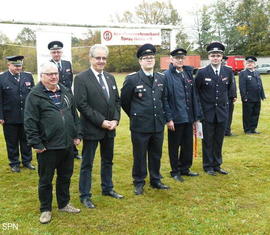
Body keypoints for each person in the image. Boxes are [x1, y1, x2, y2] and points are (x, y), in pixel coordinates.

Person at [24, 62, 81, 224]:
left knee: (65, 177)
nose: (53, 76)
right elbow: (29, 122)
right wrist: (36, 143)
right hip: (47, 147)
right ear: (41, 75)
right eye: (49, 74)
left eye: (55, 73)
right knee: (45, 180)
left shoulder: (65, 90)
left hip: (67, 145)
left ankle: (63, 204)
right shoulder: (34, 96)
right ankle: (46, 209)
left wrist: (76, 134)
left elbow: (74, 115)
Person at [74, 44, 123, 209]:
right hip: (92, 128)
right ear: (91, 58)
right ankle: (85, 195)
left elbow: (117, 101)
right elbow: (82, 104)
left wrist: (115, 120)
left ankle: (107, 188)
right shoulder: (81, 78)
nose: (101, 61)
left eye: (104, 58)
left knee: (108, 161)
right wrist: (101, 121)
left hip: (110, 129)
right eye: (98, 58)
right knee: (87, 163)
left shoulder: (110, 77)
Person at [121, 43, 169, 195]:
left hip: (157, 124)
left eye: (151, 57)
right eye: (145, 58)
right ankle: (139, 181)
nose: (149, 60)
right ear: (140, 61)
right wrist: (136, 114)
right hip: (140, 125)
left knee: (156, 154)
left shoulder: (161, 78)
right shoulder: (132, 79)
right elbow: (125, 102)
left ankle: (155, 179)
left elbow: (164, 99)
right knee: (140, 155)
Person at [195, 42, 236, 176]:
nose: (215, 58)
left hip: (222, 112)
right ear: (209, 57)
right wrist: (199, 112)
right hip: (207, 113)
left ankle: (217, 165)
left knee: (219, 140)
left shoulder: (228, 71)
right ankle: (208, 166)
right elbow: (196, 92)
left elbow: (230, 88)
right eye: (213, 55)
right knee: (208, 140)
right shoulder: (202, 72)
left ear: (221, 57)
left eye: (218, 55)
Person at [163, 48, 202, 182]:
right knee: (174, 146)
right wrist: (169, 119)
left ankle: (185, 168)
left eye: (182, 58)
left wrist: (196, 116)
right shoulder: (167, 75)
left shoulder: (187, 73)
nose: (180, 60)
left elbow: (193, 95)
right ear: (171, 59)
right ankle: (175, 171)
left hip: (188, 116)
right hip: (176, 117)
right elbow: (165, 99)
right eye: (177, 58)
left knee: (187, 144)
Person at [0, 55, 35, 173]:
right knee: (12, 141)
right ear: (9, 65)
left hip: (26, 116)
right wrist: (0, 116)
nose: (18, 68)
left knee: (26, 140)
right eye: (15, 66)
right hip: (9, 116)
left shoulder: (28, 76)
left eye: (20, 65)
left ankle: (27, 161)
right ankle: (14, 163)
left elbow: (33, 97)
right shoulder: (2, 78)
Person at [48, 40, 81, 160]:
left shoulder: (67, 64)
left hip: (68, 97)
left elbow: (70, 81)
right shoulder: (48, 65)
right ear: (51, 53)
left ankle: (74, 150)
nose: (56, 54)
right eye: (54, 52)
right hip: (55, 98)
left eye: (58, 52)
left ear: (61, 52)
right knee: (61, 123)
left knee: (71, 121)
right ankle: (61, 147)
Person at [239, 56, 265, 134]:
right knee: (247, 114)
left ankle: (253, 128)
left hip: (257, 97)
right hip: (248, 98)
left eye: (251, 63)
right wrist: (244, 97)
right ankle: (247, 130)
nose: (249, 64)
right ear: (245, 64)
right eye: (248, 63)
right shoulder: (243, 73)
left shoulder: (256, 72)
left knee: (256, 113)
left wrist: (262, 95)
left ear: (254, 64)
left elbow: (260, 84)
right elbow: (242, 86)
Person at [222, 56, 237, 136]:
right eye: (223, 61)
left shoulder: (229, 70)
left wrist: (234, 95)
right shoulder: (221, 71)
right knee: (224, 114)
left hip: (231, 97)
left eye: (225, 61)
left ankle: (228, 131)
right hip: (224, 97)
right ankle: (224, 131)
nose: (224, 63)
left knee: (229, 115)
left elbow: (233, 84)